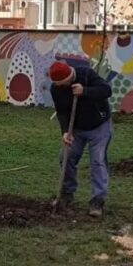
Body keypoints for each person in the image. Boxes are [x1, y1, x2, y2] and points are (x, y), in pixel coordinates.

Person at [48, 61, 113, 217]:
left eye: (62, 84)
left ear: (69, 77)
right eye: (57, 85)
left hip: (99, 126)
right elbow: (62, 112)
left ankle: (97, 200)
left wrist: (85, 91)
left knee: (97, 160)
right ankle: (67, 194)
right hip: (76, 128)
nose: (59, 87)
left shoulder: (86, 74)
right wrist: (65, 132)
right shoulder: (56, 89)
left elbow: (106, 90)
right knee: (66, 156)